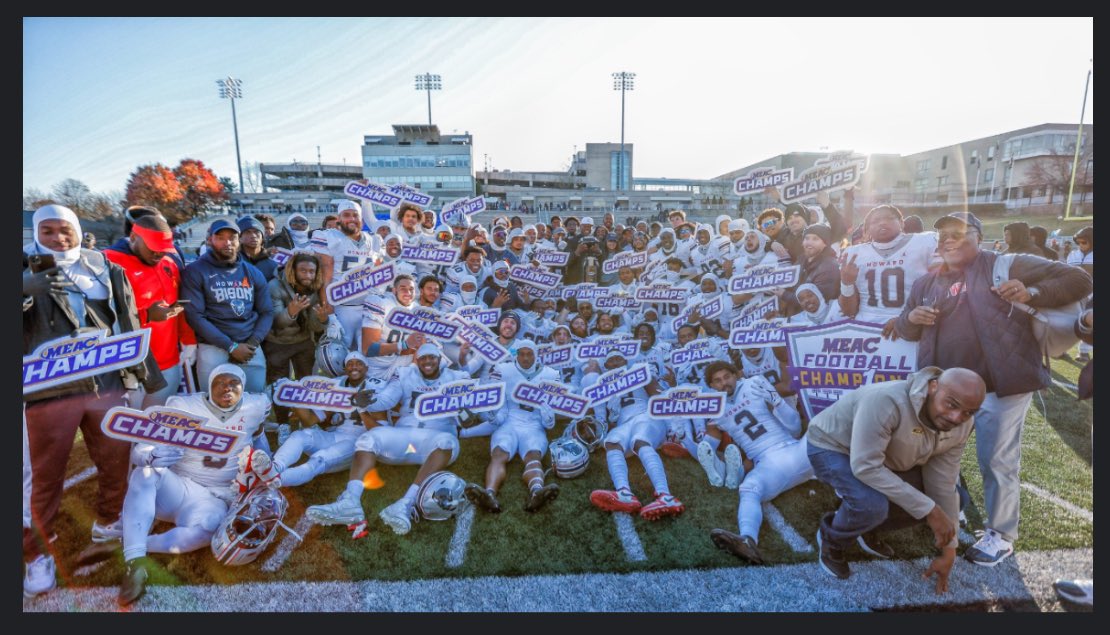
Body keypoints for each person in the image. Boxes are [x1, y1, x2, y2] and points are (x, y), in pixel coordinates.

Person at [893, 212, 1091, 567]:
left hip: (999, 385)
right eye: (941, 236)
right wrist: (911, 320)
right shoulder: (926, 282)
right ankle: (946, 515)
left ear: (979, 237)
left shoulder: (1006, 263)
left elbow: (1079, 278)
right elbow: (907, 328)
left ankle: (1000, 535)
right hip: (943, 390)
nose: (947, 240)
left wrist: (1033, 291)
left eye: (957, 233)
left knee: (996, 461)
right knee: (932, 456)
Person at [22, 204, 166, 598]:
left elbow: (128, 320)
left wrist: (145, 373)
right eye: (47, 231)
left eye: (64, 229)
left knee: (115, 458)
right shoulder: (22, 269)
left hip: (105, 381)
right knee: (43, 474)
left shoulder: (104, 266)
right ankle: (37, 552)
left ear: (77, 229)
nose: (57, 238)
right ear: (36, 232)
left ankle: (108, 524)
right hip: (47, 390)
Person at [806, 366, 985, 592]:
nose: (956, 417)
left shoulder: (962, 425)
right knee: (871, 504)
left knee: (959, 498)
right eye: (951, 404)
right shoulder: (886, 401)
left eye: (969, 412)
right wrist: (930, 510)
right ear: (933, 387)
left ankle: (865, 526)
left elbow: (942, 483)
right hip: (834, 447)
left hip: (886, 456)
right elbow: (865, 466)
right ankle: (831, 538)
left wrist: (949, 551)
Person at [112, 364, 272, 606]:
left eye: (233, 383)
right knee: (143, 474)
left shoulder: (255, 406)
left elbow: (259, 437)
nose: (227, 388)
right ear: (209, 385)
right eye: (220, 382)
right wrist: (149, 456)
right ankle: (135, 564)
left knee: (209, 530)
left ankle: (132, 543)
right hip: (178, 486)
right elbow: (142, 450)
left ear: (243, 387)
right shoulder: (183, 407)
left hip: (216, 497)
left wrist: (269, 466)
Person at [305, 344, 478, 537]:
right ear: (417, 360)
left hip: (436, 437)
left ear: (439, 359)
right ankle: (350, 502)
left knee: (447, 442)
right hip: (405, 435)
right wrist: (367, 401)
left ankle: (405, 504)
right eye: (422, 358)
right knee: (367, 439)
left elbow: (474, 414)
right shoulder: (404, 374)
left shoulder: (456, 378)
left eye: (431, 357)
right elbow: (385, 400)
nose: (427, 362)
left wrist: (468, 415)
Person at [700, 361, 812, 565]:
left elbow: (795, 428)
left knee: (819, 428)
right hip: (767, 465)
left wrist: (777, 402)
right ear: (711, 386)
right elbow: (708, 447)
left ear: (736, 375)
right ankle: (748, 541)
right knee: (748, 489)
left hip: (793, 449)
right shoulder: (714, 407)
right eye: (717, 380)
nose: (724, 383)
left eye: (727, 376)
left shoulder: (754, 384)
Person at [104, 214, 196, 407]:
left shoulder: (169, 263)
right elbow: (101, 315)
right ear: (133, 238)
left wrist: (188, 339)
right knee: (130, 427)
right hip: (129, 364)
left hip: (169, 360)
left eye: (163, 250)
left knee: (158, 423)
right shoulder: (108, 262)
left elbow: (177, 305)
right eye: (153, 248)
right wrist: (145, 315)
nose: (159, 254)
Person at [465, 340, 562, 513]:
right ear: (516, 355)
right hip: (510, 421)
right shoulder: (504, 370)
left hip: (533, 424)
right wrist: (494, 416)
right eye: (522, 353)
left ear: (536, 354)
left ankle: (537, 492)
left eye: (529, 353)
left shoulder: (551, 374)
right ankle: (489, 493)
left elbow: (549, 423)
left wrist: (548, 417)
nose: (525, 358)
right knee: (499, 453)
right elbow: (501, 408)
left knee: (533, 455)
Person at [586, 350, 685, 520]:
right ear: (606, 366)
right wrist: (604, 426)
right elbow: (602, 421)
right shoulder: (600, 387)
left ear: (626, 360)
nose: (616, 362)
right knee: (611, 441)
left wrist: (672, 427)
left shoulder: (640, 372)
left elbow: (658, 396)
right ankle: (624, 492)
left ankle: (665, 495)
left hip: (647, 416)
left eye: (619, 358)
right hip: (624, 424)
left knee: (639, 440)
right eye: (611, 360)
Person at [181, 219, 274, 394]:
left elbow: (267, 311)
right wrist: (230, 346)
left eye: (232, 237)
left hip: (249, 345)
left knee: (256, 399)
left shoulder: (253, 272)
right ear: (209, 240)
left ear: (239, 240)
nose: (227, 242)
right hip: (213, 346)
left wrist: (253, 343)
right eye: (220, 237)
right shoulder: (195, 271)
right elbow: (195, 316)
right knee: (212, 402)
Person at [270, 352, 383, 486]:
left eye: (359, 363)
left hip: (358, 444)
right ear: (345, 369)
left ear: (366, 368)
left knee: (319, 459)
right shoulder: (341, 387)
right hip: (336, 436)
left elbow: (380, 433)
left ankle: (275, 480)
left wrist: (361, 408)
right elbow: (309, 421)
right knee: (299, 436)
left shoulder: (376, 388)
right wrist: (295, 399)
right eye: (350, 364)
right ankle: (274, 468)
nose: (354, 367)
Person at [838, 204, 938, 332]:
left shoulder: (926, 241)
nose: (883, 223)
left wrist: (905, 320)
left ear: (902, 223)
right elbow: (848, 311)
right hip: (865, 328)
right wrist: (846, 283)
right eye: (875, 221)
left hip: (913, 327)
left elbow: (942, 289)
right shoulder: (853, 254)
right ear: (867, 229)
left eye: (889, 218)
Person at [264, 251, 328, 431]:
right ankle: (283, 424)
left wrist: (322, 320)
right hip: (277, 343)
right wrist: (291, 311)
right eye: (303, 271)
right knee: (280, 385)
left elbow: (315, 327)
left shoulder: (315, 288)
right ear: (293, 270)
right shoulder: (275, 286)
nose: (308, 275)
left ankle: (305, 420)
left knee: (307, 382)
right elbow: (275, 323)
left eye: (311, 271)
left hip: (303, 342)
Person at [313, 200, 379, 352]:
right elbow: (325, 279)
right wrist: (330, 316)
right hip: (341, 309)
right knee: (338, 356)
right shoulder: (329, 237)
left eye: (355, 215)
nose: (352, 219)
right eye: (346, 215)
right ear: (339, 219)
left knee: (368, 356)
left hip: (367, 308)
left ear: (361, 219)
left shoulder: (372, 240)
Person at [237, 216, 278, 282]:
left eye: (257, 232)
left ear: (262, 236)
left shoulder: (273, 263)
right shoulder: (232, 261)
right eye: (247, 232)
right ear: (239, 237)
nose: (253, 236)